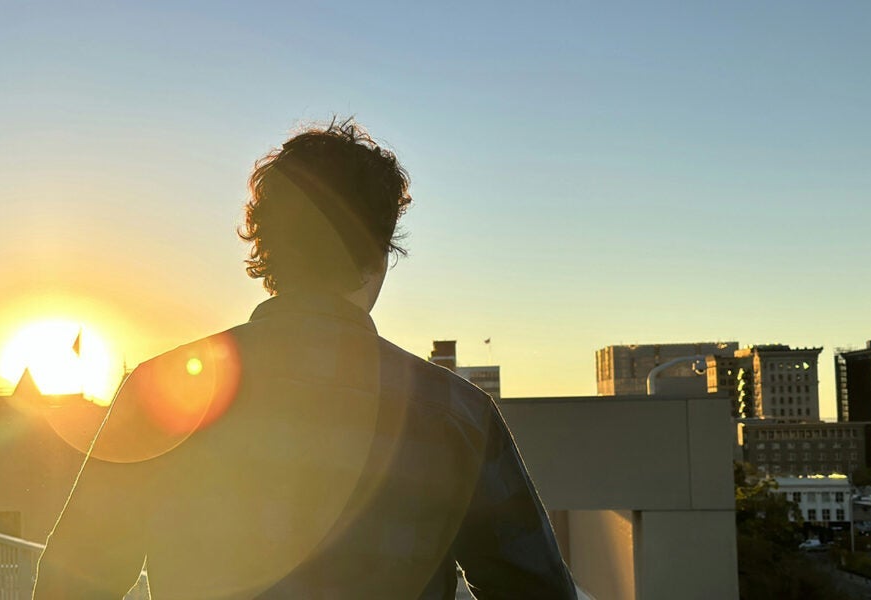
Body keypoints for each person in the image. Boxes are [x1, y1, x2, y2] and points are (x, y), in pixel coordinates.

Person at [35, 120, 576, 599]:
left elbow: (73, 582)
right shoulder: (458, 415)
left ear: (266, 246)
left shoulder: (162, 392)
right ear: (379, 253)